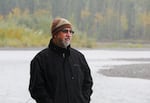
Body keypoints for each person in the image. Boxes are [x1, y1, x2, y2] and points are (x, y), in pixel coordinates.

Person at [29, 17, 93, 103]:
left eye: (71, 32)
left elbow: (87, 83)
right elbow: (36, 89)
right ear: (55, 34)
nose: (69, 34)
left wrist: (84, 100)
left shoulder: (79, 58)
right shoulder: (40, 60)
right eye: (65, 31)